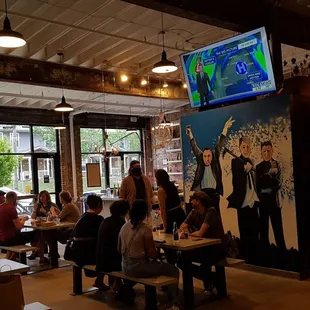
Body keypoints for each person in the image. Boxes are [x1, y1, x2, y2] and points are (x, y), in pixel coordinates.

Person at [119, 200, 179, 310]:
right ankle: (172, 302)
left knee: (161, 266)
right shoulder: (145, 229)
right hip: (138, 268)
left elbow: (119, 249)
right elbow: (152, 254)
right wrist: (159, 253)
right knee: (173, 270)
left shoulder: (124, 227)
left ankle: (164, 294)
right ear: (145, 213)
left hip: (124, 266)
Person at [178, 191, 226, 294]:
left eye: (192, 200)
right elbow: (182, 227)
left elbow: (200, 233)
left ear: (198, 201)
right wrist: (184, 230)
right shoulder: (194, 212)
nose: (191, 202)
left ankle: (210, 280)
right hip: (203, 247)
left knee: (200, 261)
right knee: (182, 259)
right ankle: (211, 279)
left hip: (216, 249)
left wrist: (187, 233)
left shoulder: (211, 211)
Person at [186, 117, 234, 216]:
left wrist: (225, 128)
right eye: (205, 156)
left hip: (214, 194)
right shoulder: (200, 160)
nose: (207, 158)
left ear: (212, 157)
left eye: (209, 156)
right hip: (203, 194)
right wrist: (190, 134)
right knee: (203, 217)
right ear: (202, 157)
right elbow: (194, 147)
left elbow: (220, 144)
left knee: (216, 216)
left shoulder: (215, 160)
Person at [227, 137, 259, 264]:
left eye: (248, 147)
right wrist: (245, 171)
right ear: (239, 148)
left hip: (253, 202)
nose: (246, 149)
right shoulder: (236, 162)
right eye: (243, 147)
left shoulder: (251, 161)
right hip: (243, 203)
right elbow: (236, 182)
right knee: (245, 232)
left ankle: (256, 258)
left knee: (255, 231)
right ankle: (247, 259)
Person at [96, 200, 131, 300]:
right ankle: (118, 283)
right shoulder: (120, 224)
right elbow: (122, 247)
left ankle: (111, 281)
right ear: (125, 212)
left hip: (100, 260)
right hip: (111, 262)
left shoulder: (105, 221)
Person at [256, 141, 286, 253]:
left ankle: (283, 257)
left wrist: (268, 189)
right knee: (263, 232)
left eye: (269, 150)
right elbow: (257, 186)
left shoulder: (277, 165)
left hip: (274, 204)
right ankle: (265, 258)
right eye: (264, 151)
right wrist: (268, 177)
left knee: (278, 232)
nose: (267, 153)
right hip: (262, 205)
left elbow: (278, 183)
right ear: (261, 153)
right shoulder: (258, 167)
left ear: (272, 150)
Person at [71, 195, 105, 289]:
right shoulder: (98, 219)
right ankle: (112, 283)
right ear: (99, 205)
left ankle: (100, 280)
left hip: (77, 253)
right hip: (89, 255)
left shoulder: (82, 217)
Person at [0, 191, 33, 260]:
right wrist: (24, 219)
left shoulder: (1, 207)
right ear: (15, 199)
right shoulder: (11, 208)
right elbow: (19, 226)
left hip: (1, 239)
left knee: (19, 235)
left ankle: (9, 259)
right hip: (9, 240)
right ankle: (39, 256)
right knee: (36, 234)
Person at [29, 190, 60, 262]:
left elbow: (56, 217)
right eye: (40, 197)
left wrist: (45, 212)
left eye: (43, 196)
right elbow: (33, 217)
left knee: (44, 237)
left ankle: (50, 255)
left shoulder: (52, 205)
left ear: (47, 197)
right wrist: (35, 209)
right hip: (40, 227)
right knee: (38, 237)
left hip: (50, 228)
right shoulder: (38, 205)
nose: (41, 198)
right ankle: (41, 257)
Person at [155, 169, 185, 233]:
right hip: (180, 214)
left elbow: (163, 211)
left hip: (171, 218)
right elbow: (178, 202)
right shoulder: (172, 186)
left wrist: (165, 227)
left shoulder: (161, 191)